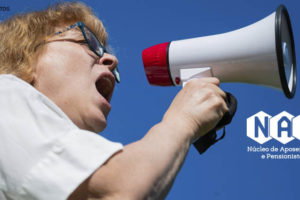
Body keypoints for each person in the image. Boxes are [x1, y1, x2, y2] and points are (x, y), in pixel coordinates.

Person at [0, 2, 228, 200]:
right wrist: (184, 119)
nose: (112, 59)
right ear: (26, 56)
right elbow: (119, 190)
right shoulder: (6, 93)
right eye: (86, 41)